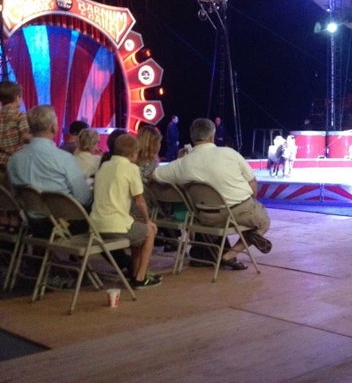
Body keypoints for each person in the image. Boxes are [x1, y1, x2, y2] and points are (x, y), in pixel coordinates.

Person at [152, 118, 272, 270]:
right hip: (238, 211)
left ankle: (249, 233)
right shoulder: (230, 153)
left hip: (205, 216)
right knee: (263, 221)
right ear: (212, 136)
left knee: (251, 217)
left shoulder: (182, 163)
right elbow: (252, 183)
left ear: (192, 136)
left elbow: (153, 175)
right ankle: (230, 254)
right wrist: (251, 202)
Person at [90, 134, 161, 289]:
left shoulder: (104, 166)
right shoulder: (131, 168)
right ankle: (141, 277)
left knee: (137, 229)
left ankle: (134, 271)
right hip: (116, 226)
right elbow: (140, 200)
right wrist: (148, 220)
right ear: (133, 154)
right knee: (149, 231)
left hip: (96, 225)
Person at [8, 105, 91, 207]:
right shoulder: (65, 159)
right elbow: (83, 198)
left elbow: (15, 195)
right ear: (53, 127)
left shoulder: (13, 160)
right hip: (65, 219)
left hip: (30, 218)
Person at [0, 80, 31, 231]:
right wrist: (37, 138)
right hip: (14, 162)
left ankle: (4, 222)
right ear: (17, 97)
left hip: (0, 161)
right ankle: (14, 223)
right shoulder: (19, 115)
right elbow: (26, 136)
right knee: (15, 196)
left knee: (3, 197)